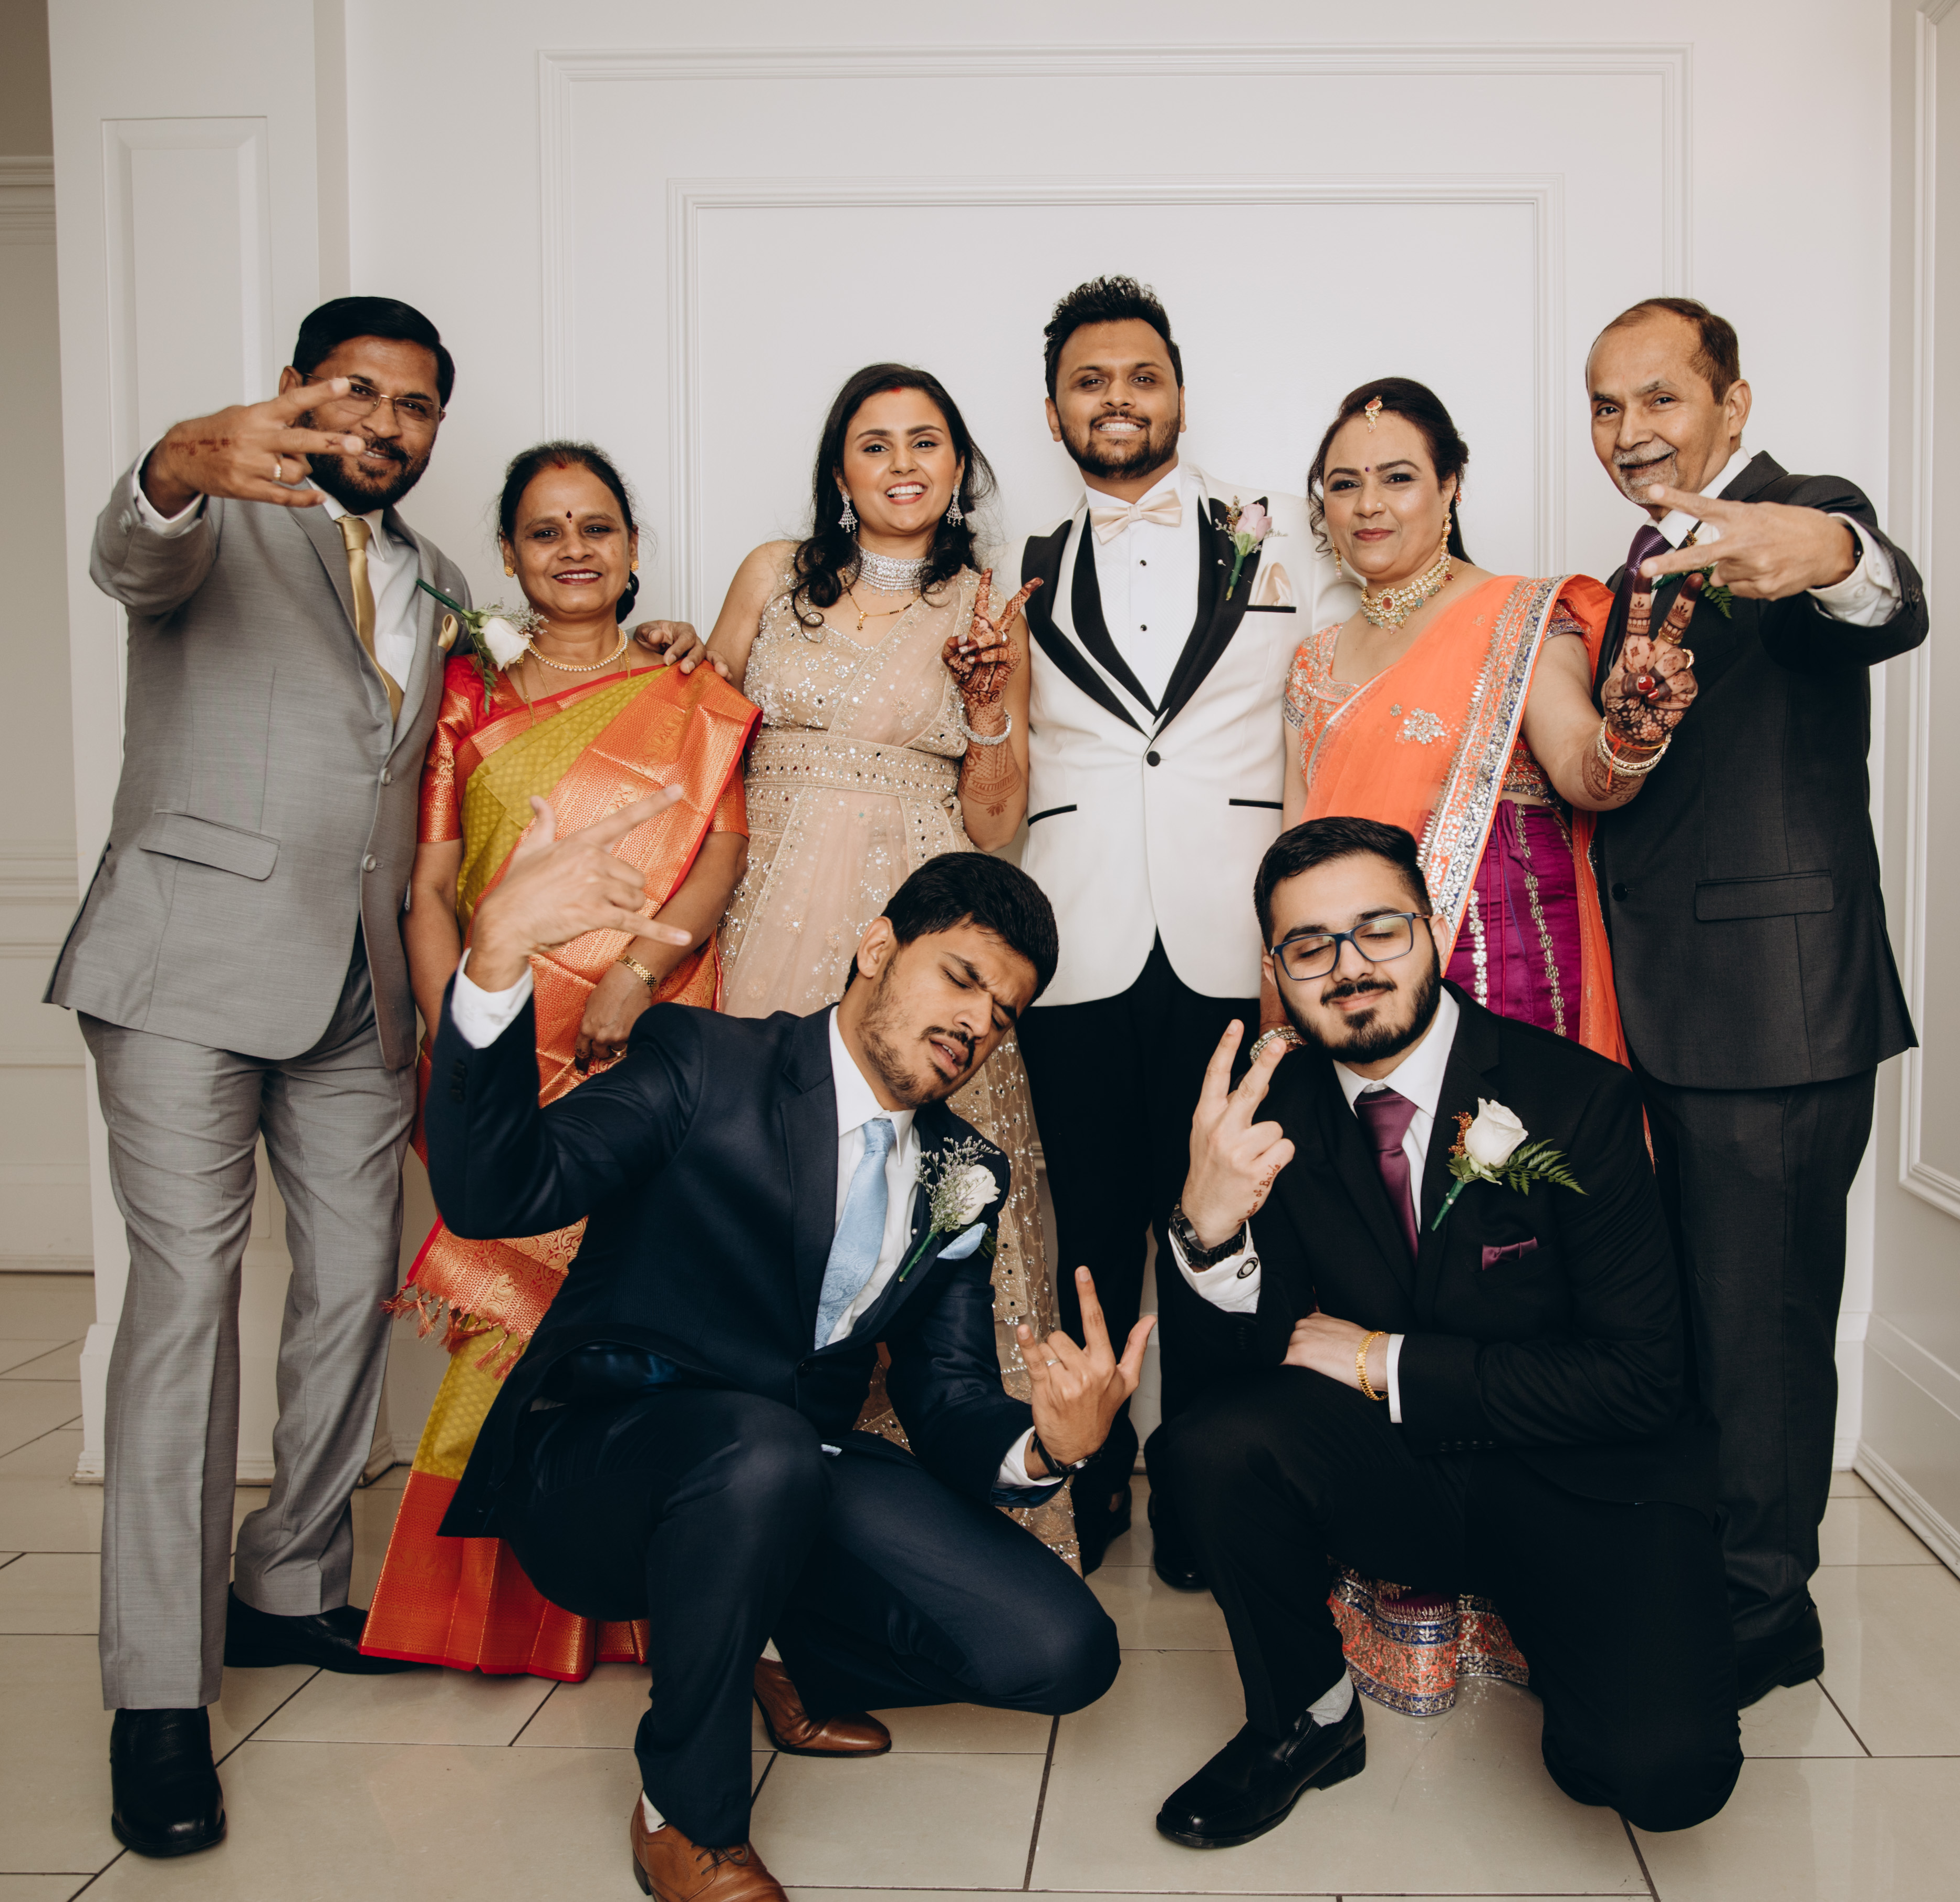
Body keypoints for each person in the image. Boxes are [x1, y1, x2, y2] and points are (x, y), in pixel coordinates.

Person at [49, 294, 707, 1861]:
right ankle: (158, 1691)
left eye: (415, 407)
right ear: (294, 391)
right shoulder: (216, 513)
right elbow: (132, 549)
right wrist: (175, 460)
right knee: (186, 1299)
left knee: (351, 1289)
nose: (385, 425)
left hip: (359, 997)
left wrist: (660, 647)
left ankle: (289, 1580)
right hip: (186, 969)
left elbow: (483, 750)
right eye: (357, 392)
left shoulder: (442, 590)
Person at [427, 841, 1135, 1902]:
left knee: (1064, 1649)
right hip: (602, 1468)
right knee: (760, 1449)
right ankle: (685, 1814)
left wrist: (1048, 1445)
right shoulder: (703, 1060)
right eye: (961, 978)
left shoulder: (965, 1172)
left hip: (793, 1467)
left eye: (1004, 1014)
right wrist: (493, 960)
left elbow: (944, 1398)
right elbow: (496, 1190)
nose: (977, 1025)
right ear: (877, 946)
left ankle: (773, 1645)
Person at [1145, 817, 1738, 1847]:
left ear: (1433, 929)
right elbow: (1230, 1380)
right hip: (1399, 1476)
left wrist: (1381, 1359)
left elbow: (1641, 1378)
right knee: (1208, 1445)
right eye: (1309, 945)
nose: (1349, 967)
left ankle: (1569, 1647)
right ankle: (1307, 1719)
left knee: (1661, 1773)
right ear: (1276, 972)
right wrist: (1204, 1227)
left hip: (1585, 1477)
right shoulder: (1270, 1116)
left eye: (1378, 928)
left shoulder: (1576, 1098)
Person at [357, 441, 759, 1681]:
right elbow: (432, 885)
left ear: (633, 547)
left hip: (655, 1026)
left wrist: (634, 977)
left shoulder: (692, 691)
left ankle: (644, 1591)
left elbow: (720, 854)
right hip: (507, 1029)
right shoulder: (466, 694)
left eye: (597, 527)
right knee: (506, 1313)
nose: (574, 549)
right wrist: (469, 1040)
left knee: (644, 1303)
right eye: (546, 530)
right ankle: (491, 1609)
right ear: (511, 555)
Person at [1579, 296, 1927, 1711]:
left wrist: (1833, 551)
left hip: (1772, 1013)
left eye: (1659, 397)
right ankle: (1705, 1572)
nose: (1628, 431)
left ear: (1732, 405)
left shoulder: (1794, 518)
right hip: (1660, 1011)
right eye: (1605, 405)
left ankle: (1764, 1612)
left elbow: (1881, 596)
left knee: (1764, 1328)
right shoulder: (1639, 564)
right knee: (1693, 1320)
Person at [996, 276, 1357, 1577]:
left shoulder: (1281, 542)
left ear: (1180, 395)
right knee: (1085, 1231)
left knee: (1226, 1229)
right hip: (1078, 934)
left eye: (1141, 375)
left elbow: (1341, 700)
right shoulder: (1018, 567)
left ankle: (1211, 1496)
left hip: (1232, 931)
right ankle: (1088, 1484)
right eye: (1090, 381)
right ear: (1053, 412)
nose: (1118, 398)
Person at [701, 363, 1067, 1564]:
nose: (903, 463)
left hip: (917, 925)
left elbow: (998, 825)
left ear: (959, 467)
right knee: (764, 1189)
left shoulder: (987, 606)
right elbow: (696, 740)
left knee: (924, 1199)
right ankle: (736, 1505)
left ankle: (930, 1520)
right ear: (839, 468)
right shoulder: (772, 575)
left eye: (926, 441)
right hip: (767, 915)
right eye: (875, 442)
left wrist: (988, 704)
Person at [1283, 377, 1692, 1064]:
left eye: (1397, 478)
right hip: (1350, 987)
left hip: (1505, 971)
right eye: (1344, 484)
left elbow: (1587, 777)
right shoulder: (1312, 662)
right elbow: (1292, 860)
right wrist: (1282, 1021)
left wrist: (1630, 733)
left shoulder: (1520, 618)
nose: (1368, 504)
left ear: (1449, 486)